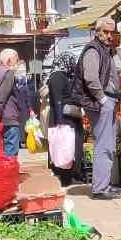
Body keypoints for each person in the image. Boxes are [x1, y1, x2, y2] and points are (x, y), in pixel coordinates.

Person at [74, 18, 121, 200]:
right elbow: (90, 78)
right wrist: (103, 100)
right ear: (97, 32)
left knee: (108, 144)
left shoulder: (104, 50)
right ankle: (100, 188)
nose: (109, 36)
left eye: (112, 32)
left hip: (107, 101)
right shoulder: (93, 50)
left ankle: (104, 185)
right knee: (104, 144)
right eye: (106, 32)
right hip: (101, 103)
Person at [46, 52, 84, 186]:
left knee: (66, 148)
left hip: (66, 119)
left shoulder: (61, 76)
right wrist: (60, 121)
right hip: (64, 120)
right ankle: (65, 178)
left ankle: (67, 176)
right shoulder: (57, 77)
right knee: (64, 148)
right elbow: (57, 100)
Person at [0, 48, 26, 157]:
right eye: (16, 61)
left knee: (0, 153)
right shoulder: (8, 73)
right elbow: (1, 98)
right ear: (8, 60)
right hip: (8, 120)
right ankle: (9, 173)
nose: (17, 64)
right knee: (10, 155)